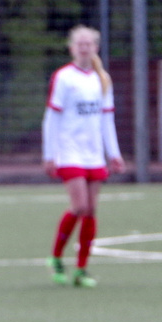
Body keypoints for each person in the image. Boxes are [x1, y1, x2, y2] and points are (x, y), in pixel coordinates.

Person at [42, 24, 124, 288]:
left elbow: (106, 119)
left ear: (96, 48)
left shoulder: (102, 79)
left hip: (93, 154)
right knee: (79, 206)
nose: (85, 48)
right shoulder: (64, 77)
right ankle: (55, 257)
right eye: (80, 43)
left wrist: (114, 153)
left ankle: (81, 269)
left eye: (89, 43)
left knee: (91, 211)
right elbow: (52, 117)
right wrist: (50, 154)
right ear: (72, 48)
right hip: (69, 152)